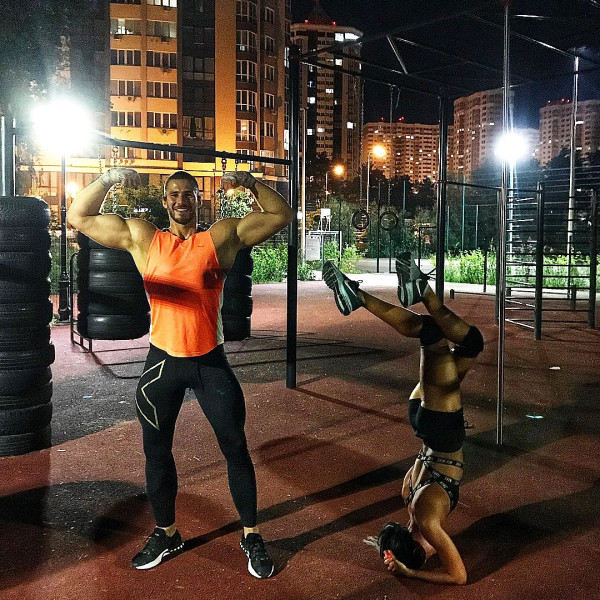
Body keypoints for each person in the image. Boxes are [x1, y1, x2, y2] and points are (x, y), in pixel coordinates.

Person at [67, 167, 293, 578]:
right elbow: (78, 217)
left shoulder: (220, 238)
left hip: (209, 363)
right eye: (173, 194)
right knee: (156, 452)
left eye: (188, 193)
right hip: (163, 365)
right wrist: (109, 178)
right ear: (165, 201)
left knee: (236, 448)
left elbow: (281, 215)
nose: (181, 200)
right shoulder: (143, 238)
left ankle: (251, 535)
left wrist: (250, 183)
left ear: (198, 199)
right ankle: (166, 532)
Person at [322, 252, 484, 585]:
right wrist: (388, 547)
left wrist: (411, 571)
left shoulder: (427, 519)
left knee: (430, 334)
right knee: (471, 343)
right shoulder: (408, 498)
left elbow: (459, 576)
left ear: (419, 546)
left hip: (442, 429)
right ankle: (410, 292)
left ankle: (364, 297)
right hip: (422, 421)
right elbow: (419, 541)